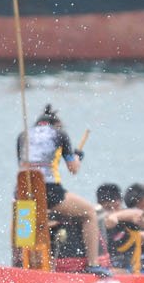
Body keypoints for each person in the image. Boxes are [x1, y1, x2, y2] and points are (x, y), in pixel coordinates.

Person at [16, 104, 103, 270]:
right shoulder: (59, 134)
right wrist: (77, 156)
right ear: (56, 125)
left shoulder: (23, 136)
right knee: (89, 213)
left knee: (27, 227)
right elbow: (73, 168)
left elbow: (24, 166)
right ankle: (94, 265)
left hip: (22, 192)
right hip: (49, 191)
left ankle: (20, 265)